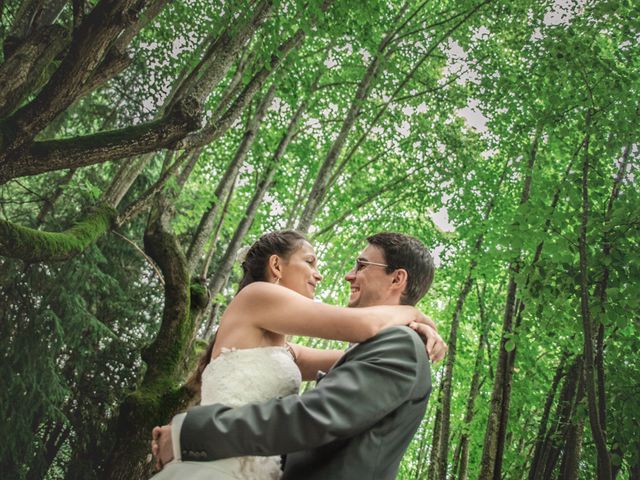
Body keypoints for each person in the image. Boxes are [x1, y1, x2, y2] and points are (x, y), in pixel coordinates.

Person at [151, 231, 446, 479]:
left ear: (397, 280)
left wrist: (413, 332)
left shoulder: (285, 350)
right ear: (276, 267)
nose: (324, 275)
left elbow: (354, 357)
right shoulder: (257, 295)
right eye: (309, 262)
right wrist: (414, 314)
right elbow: (364, 329)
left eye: (360, 264)